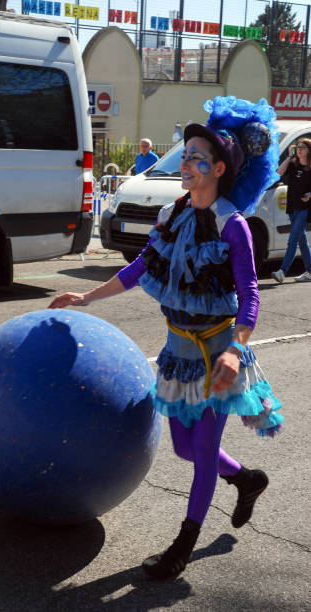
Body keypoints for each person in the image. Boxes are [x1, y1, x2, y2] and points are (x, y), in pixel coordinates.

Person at [49, 96, 284, 580]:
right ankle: (246, 478)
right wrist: (85, 298)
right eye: (187, 154)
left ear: (219, 168)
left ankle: (182, 546)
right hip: (179, 352)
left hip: (219, 352)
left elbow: (251, 296)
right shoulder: (173, 214)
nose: (188, 164)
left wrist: (237, 353)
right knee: (183, 447)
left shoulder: (233, 225)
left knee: (200, 453)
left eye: (199, 158)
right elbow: (139, 269)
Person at [271, 138, 311, 283]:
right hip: (292, 207)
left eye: (303, 148)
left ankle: (282, 271)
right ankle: (310, 270)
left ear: (309, 150)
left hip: (305, 208)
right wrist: (289, 156)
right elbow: (279, 172)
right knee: (301, 240)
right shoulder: (293, 165)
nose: (299, 150)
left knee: (293, 239)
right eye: (298, 147)